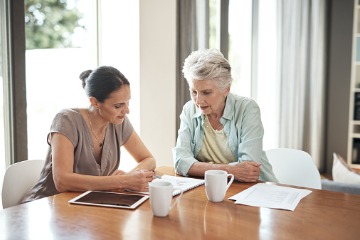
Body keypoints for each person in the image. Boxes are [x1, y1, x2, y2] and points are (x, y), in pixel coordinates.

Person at [22, 66, 156, 202]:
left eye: (127, 102)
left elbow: (149, 159)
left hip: (87, 206)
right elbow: (62, 181)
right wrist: (121, 181)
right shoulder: (67, 120)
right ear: (95, 102)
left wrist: (131, 177)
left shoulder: (118, 122)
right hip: (47, 205)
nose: (126, 110)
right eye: (118, 106)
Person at [173, 49, 278, 183]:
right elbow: (180, 162)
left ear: (226, 89)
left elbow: (248, 169)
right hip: (210, 188)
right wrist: (231, 170)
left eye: (206, 92)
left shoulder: (247, 109)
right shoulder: (189, 109)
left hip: (253, 189)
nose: (198, 101)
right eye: (194, 92)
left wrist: (198, 167)